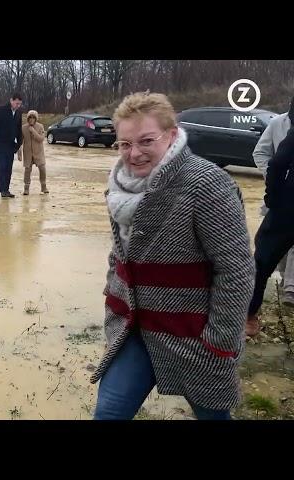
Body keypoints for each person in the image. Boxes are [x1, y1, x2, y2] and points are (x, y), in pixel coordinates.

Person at [90, 92, 255, 420]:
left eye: (146, 140)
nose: (134, 154)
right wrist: (113, 311)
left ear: (172, 134)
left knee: (213, 417)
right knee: (108, 413)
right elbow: (118, 257)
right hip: (134, 329)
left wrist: (220, 343)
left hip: (194, 334)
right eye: (124, 144)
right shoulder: (118, 188)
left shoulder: (207, 185)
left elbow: (236, 270)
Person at [247, 99, 294, 335]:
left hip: (286, 208)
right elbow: (271, 162)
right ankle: (248, 314)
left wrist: (275, 198)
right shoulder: (278, 124)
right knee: (262, 260)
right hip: (286, 207)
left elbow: (277, 164)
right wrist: (273, 197)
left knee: (262, 261)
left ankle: (248, 314)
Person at [0, 93, 23, 198]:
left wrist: (19, 144)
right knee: (2, 166)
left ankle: (6, 189)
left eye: (20, 104)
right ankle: (2, 190)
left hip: (10, 145)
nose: (18, 106)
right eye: (17, 103)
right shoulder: (0, 110)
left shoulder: (18, 113)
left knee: (9, 168)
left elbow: (18, 130)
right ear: (11, 100)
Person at [17, 110, 48, 195]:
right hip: (28, 153)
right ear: (27, 118)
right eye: (30, 117)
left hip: (38, 152)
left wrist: (33, 131)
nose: (31, 119)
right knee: (27, 170)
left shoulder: (40, 126)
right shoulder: (23, 128)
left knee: (42, 168)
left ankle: (43, 187)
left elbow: (41, 139)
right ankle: (26, 188)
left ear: (36, 119)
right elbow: (20, 142)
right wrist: (19, 153)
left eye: (33, 117)